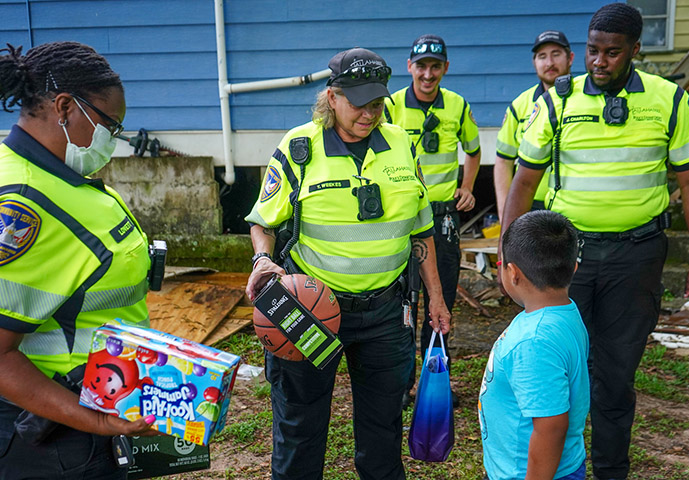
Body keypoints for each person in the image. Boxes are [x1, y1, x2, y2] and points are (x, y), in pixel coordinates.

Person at [500, 4, 689, 479]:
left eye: (612, 53)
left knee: (615, 375)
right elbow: (524, 180)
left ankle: (611, 471)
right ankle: (558, 468)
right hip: (566, 257)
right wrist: (508, 252)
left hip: (635, 257)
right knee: (560, 364)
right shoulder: (558, 100)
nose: (599, 62)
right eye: (593, 51)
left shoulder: (667, 99)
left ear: (635, 50)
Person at [244, 47, 451, 480]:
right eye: (357, 103)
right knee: (300, 427)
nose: (368, 113)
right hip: (311, 312)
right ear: (332, 96)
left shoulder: (400, 145)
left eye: (376, 103)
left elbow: (422, 230)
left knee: (382, 431)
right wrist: (262, 260)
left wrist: (436, 298)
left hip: (384, 314)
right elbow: (264, 222)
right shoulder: (300, 148)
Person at [0, 41, 158, 479]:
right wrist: (97, 422)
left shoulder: (53, 176)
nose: (114, 141)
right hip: (55, 434)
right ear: (65, 107)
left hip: (90, 405)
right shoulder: (18, 204)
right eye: (110, 125)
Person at [384, 34, 480, 408]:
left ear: (445, 69)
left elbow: (473, 151)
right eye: (421, 66)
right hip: (403, 215)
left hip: (442, 216)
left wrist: (468, 186)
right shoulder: (389, 106)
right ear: (409, 67)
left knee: (441, 301)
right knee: (401, 301)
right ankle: (400, 381)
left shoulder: (457, 105)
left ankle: (433, 380)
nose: (427, 74)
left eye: (435, 66)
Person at [479, 210, 589, 480]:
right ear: (573, 267)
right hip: (559, 465)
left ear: (512, 273)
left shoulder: (534, 342)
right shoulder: (564, 312)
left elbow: (550, 427)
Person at [494, 30, 574, 219]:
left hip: (576, 205)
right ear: (534, 62)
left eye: (556, 54)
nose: (549, 63)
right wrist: (506, 214)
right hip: (531, 207)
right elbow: (504, 162)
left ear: (570, 58)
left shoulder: (587, 99)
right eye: (542, 56)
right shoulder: (520, 105)